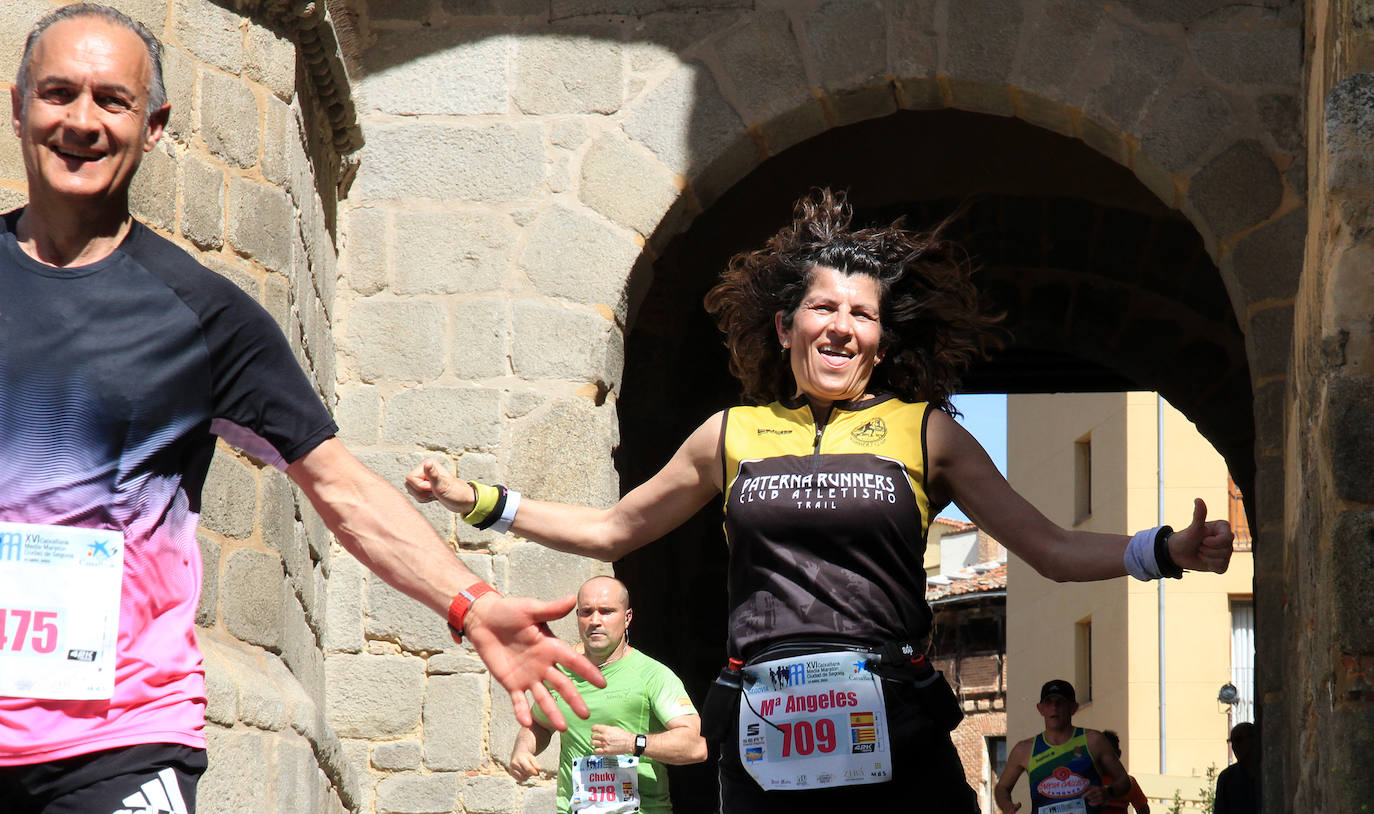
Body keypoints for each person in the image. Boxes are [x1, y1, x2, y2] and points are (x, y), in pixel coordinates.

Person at [407, 189, 1234, 812]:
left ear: (881, 337)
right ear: (784, 327)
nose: (841, 325)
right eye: (823, 306)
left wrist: (1161, 549)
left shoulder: (926, 432)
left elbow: (1047, 546)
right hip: (765, 720)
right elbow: (613, 528)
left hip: (895, 715)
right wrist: (481, 498)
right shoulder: (730, 434)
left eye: (861, 314)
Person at [0, 5, 601, 812]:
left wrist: (472, 602)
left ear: (155, 126)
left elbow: (342, 490)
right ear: (17, 106)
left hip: (118, 740)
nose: (81, 121)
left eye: (112, 100)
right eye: (58, 94)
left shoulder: (205, 317)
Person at [507, 576, 707, 813]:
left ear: (627, 618)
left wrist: (633, 742)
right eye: (586, 612)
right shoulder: (560, 674)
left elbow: (696, 746)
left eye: (606, 611)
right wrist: (522, 750)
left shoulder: (652, 675)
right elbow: (538, 725)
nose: (595, 621)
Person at [994, 680, 1130, 814]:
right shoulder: (1024, 750)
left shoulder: (1093, 740)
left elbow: (1124, 780)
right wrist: (1007, 806)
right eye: (1049, 702)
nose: (1054, 708)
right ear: (1040, 709)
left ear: (1073, 708)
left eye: (1060, 702)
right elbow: (1002, 787)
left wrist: (1107, 792)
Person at [1099, 730, 1150, 814]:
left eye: (1109, 754)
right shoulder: (1085, 780)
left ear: (1118, 754)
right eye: (1102, 754)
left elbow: (1144, 809)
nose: (1106, 759)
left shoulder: (1130, 782)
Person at [1213, 722, 1259, 814]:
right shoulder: (1226, 778)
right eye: (1231, 742)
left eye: (1238, 740)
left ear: (1253, 740)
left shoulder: (1267, 774)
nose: (1234, 746)